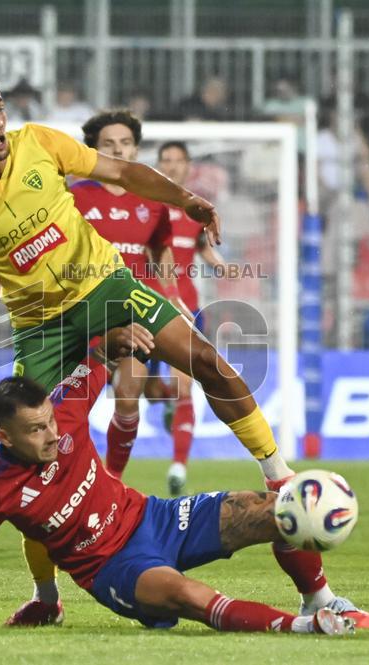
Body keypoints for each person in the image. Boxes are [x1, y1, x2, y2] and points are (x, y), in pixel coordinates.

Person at [0, 74, 296, 626]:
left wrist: (186, 199)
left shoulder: (40, 143)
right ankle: (46, 597)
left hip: (106, 287)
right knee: (37, 465)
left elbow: (122, 172)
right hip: (39, 325)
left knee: (209, 363)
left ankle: (279, 476)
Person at [0, 325, 369, 635]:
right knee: (187, 595)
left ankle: (320, 600)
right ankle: (307, 628)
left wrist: (124, 335)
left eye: (50, 422)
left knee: (277, 509)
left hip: (154, 517)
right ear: (5, 436)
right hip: (113, 568)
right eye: (36, 430)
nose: (52, 434)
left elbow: (100, 353)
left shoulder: (66, 408)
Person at [70, 110, 186, 481]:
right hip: (84, 313)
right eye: (109, 144)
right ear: (94, 151)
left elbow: (161, 249)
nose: (119, 150)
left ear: (136, 149)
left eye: (125, 143)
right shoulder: (75, 196)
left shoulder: (152, 199)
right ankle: (63, 477)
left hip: (133, 311)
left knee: (128, 391)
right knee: (71, 405)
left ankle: (113, 479)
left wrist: (173, 295)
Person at [153, 140, 228, 495]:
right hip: (143, 305)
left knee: (184, 386)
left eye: (177, 160)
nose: (171, 165)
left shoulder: (195, 208)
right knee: (140, 389)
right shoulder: (145, 204)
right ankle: (164, 398)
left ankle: (179, 466)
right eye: (165, 159)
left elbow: (202, 248)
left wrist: (219, 264)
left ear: (188, 166)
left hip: (185, 308)